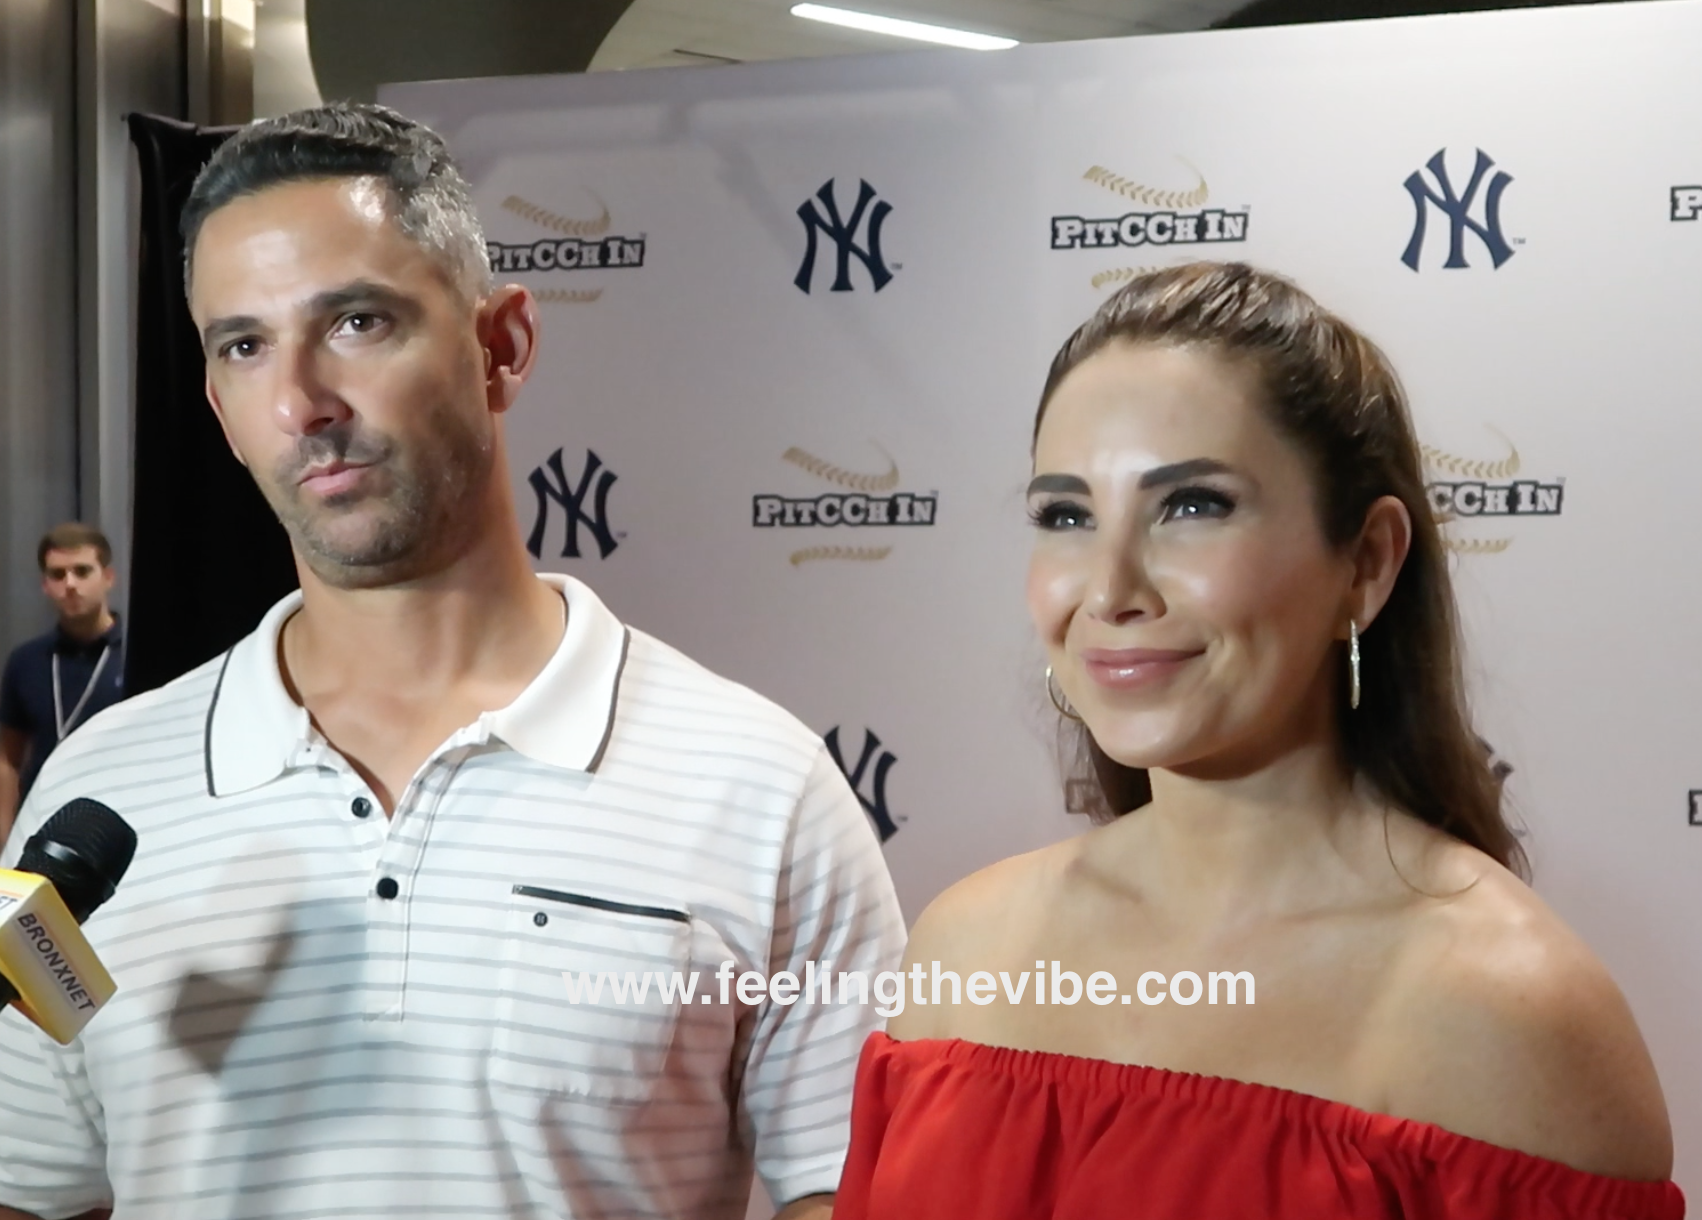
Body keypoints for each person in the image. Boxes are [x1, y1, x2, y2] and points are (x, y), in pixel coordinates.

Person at [0, 103, 904, 1220]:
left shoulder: (762, 791)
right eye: (244, 345)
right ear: (220, 410)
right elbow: (33, 1185)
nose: (301, 402)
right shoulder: (97, 793)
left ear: (500, 346)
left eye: (356, 322)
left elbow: (844, 1191)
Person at [833, 263, 1683, 1218]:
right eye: (1067, 516)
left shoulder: (1508, 1013)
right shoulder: (965, 944)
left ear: (1365, 563)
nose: (1110, 589)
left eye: (1193, 506)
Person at [0, 524, 126, 847]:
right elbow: (8, 759)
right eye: (58, 575)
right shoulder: (26, 660)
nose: (70, 584)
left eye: (82, 571)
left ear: (108, 578)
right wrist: (4, 834)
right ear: (45, 585)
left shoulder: (139, 657)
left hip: (116, 829)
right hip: (36, 829)